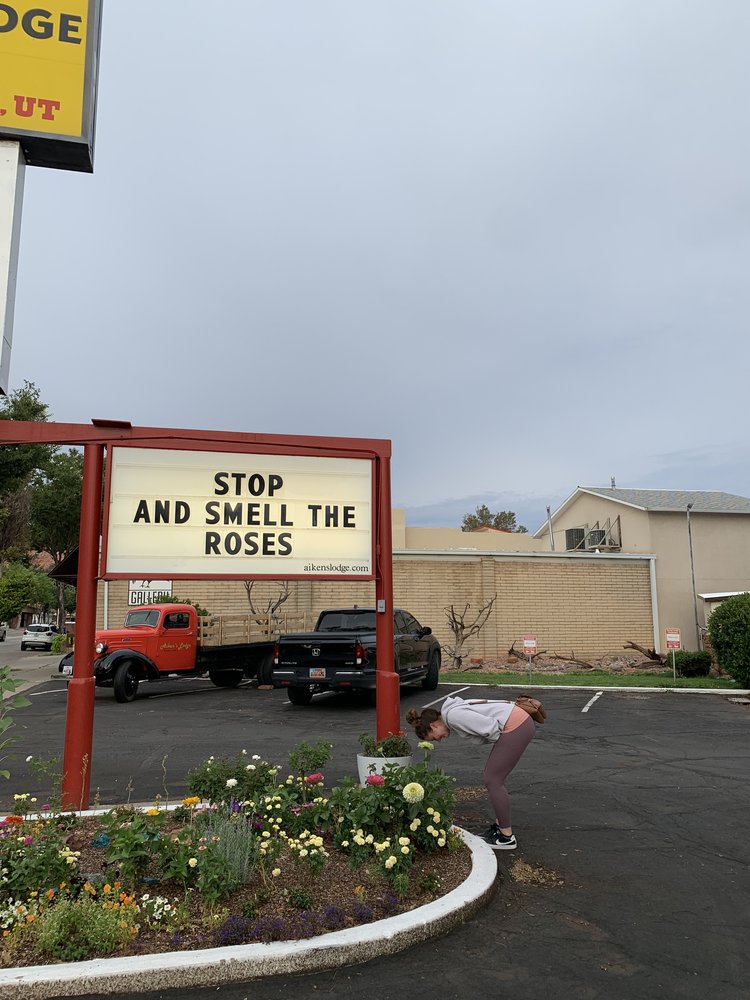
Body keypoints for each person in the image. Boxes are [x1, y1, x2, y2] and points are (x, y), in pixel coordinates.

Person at [405, 694, 537, 850]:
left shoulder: (453, 717)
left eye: (434, 738)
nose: (439, 739)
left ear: (433, 725)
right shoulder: (451, 713)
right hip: (519, 722)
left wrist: (500, 743)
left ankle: (506, 837)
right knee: (494, 777)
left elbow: (491, 728)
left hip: (516, 726)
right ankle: (500, 827)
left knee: (492, 779)